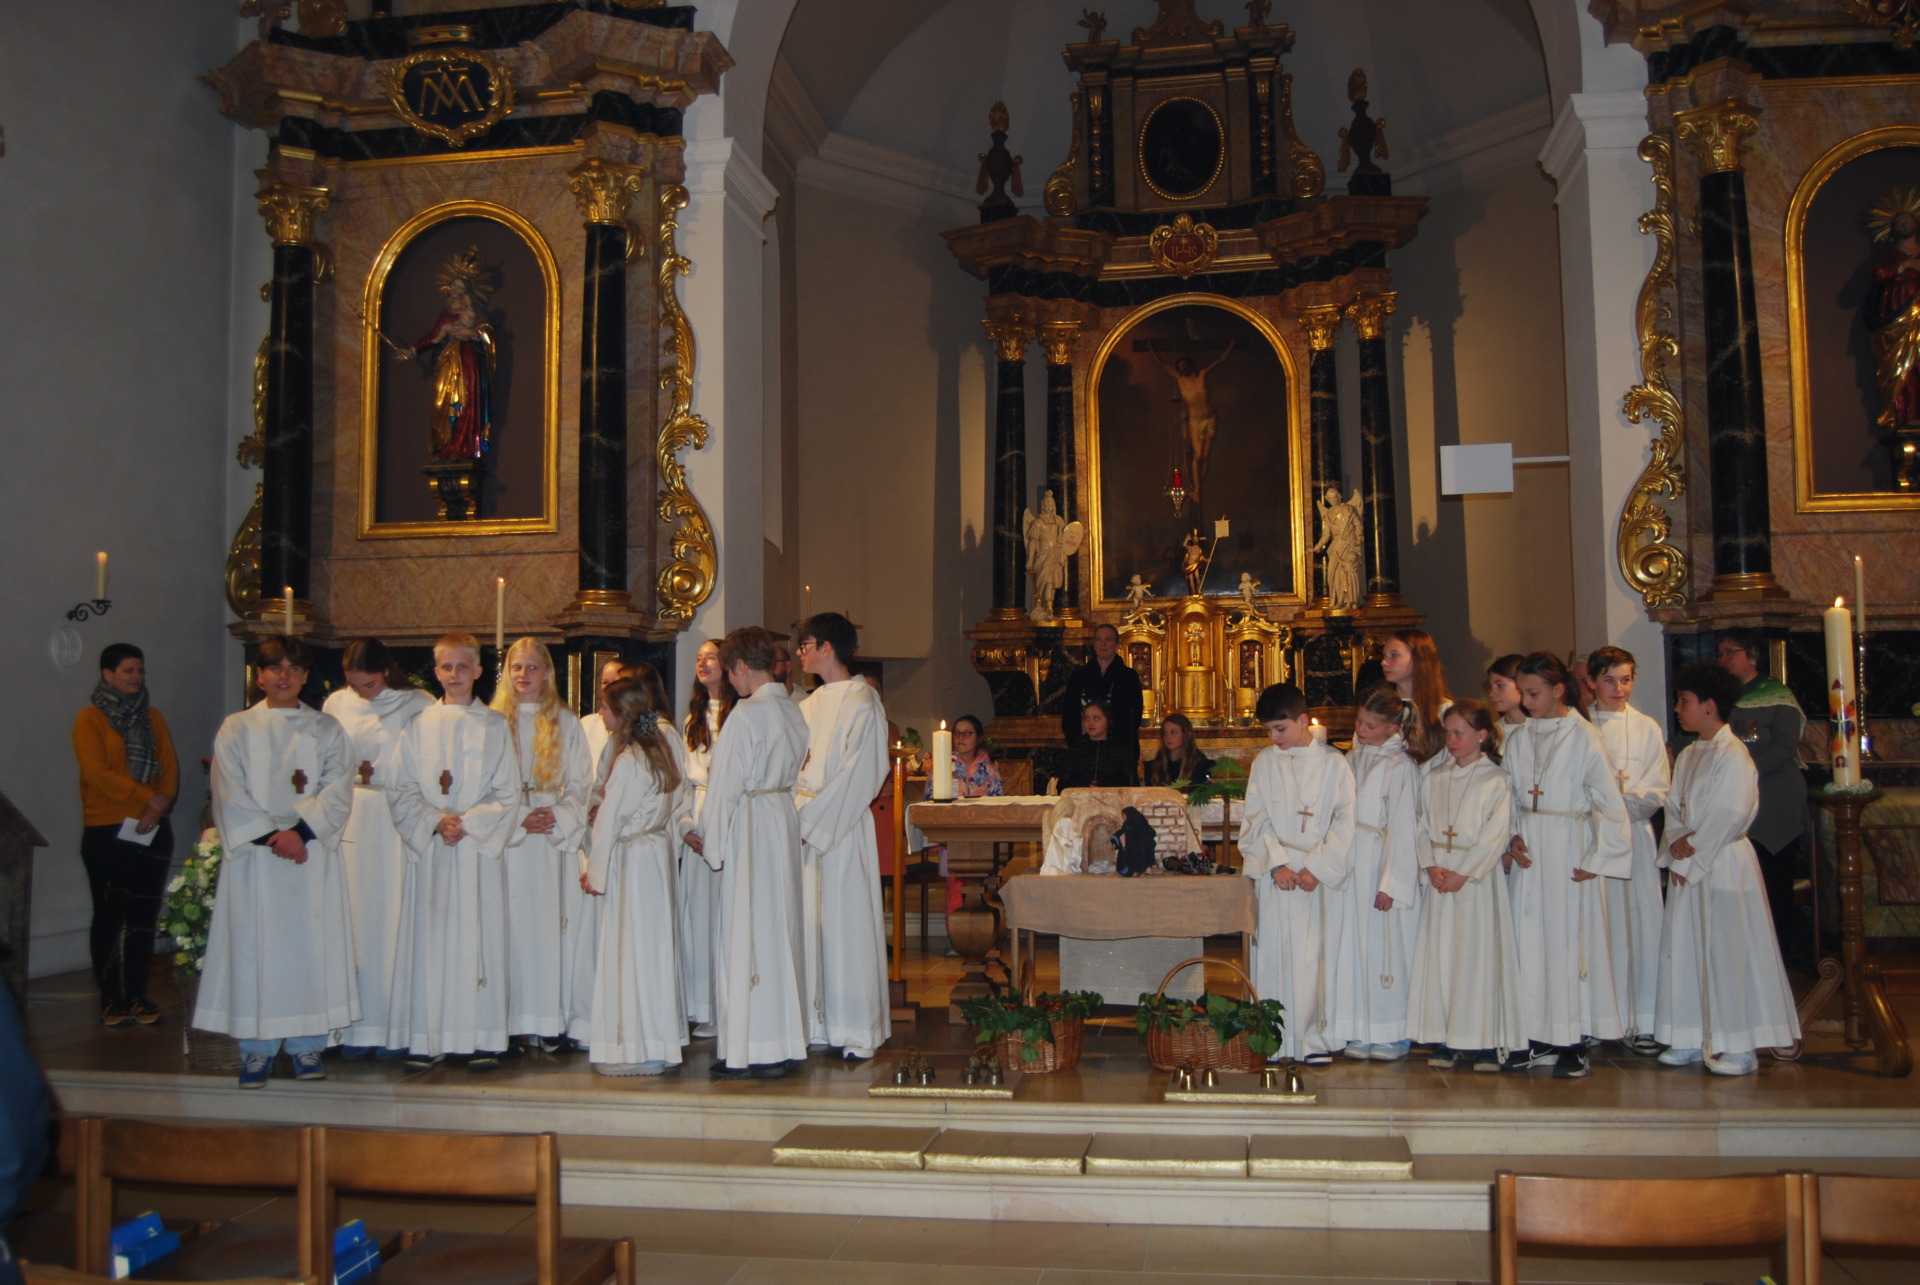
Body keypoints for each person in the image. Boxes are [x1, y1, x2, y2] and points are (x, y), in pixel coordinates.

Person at [197, 638, 357, 1088]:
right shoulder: (237, 728)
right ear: (259, 675)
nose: (284, 676)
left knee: (310, 949)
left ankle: (307, 1045)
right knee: (255, 950)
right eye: (275, 668)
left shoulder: (326, 729)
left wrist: (300, 833)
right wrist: (273, 837)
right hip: (257, 858)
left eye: (293, 668)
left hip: (309, 854)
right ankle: (256, 1050)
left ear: (305, 676)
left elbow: (338, 787)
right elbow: (228, 789)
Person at [1655, 663, 1802, 1076]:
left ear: (1709, 705)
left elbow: (1730, 812)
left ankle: (1739, 1046)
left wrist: (1691, 855)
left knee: (1729, 950)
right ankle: (1690, 1035)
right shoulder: (1689, 754)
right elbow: (1674, 806)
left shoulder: (1733, 754)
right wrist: (1676, 843)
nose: (1678, 708)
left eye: (1684, 700)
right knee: (1686, 947)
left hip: (1722, 864)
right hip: (1690, 865)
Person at [386, 634, 520, 1071]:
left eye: (463, 666)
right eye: (447, 667)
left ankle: (482, 1038)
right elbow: (400, 787)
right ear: (436, 672)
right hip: (433, 851)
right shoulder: (418, 725)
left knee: (479, 936)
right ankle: (428, 1039)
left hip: (476, 850)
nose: (455, 674)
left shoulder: (495, 726)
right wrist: (434, 820)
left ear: (479, 671)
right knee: (432, 941)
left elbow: (508, 790)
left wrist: (469, 822)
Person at [1502, 652, 1631, 1079]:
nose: (1525, 701)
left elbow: (1609, 803)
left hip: (1569, 852)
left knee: (1568, 946)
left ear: (1559, 690)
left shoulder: (1583, 736)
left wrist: (1598, 857)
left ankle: (1573, 1040)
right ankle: (1535, 1036)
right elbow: (1509, 798)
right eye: (1522, 693)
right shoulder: (1518, 739)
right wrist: (1511, 836)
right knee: (1529, 945)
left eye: (1533, 693)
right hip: (1531, 855)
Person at [692, 626, 810, 1079]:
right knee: (780, 929)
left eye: (729, 672)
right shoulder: (792, 709)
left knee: (745, 931)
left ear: (741, 666)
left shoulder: (745, 715)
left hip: (750, 823)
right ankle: (783, 1041)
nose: (729, 681)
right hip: (779, 816)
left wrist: (713, 846)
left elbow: (724, 787)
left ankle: (750, 1049)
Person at [321, 638, 433, 1058]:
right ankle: (348, 1030)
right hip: (350, 819)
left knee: (392, 923)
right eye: (354, 685)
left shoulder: (417, 704)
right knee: (353, 924)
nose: (362, 694)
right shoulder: (336, 704)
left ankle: (392, 1027)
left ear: (386, 671)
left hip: (393, 822)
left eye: (368, 684)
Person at [793, 613, 892, 1061]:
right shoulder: (806, 705)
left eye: (806, 644)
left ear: (827, 648)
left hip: (841, 827)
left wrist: (812, 823)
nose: (801, 653)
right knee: (809, 927)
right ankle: (815, 1025)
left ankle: (855, 1028)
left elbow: (863, 772)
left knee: (845, 927)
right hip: (802, 825)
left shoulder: (862, 700)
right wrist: (793, 818)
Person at [582, 667, 691, 1076]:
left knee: (630, 950)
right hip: (655, 855)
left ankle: (635, 1045)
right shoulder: (658, 751)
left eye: (606, 708)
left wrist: (595, 874)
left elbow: (608, 823)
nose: (601, 714)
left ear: (622, 715)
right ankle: (658, 1040)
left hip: (632, 859)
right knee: (653, 948)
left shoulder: (629, 761)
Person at [1240, 682, 1355, 1066]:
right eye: (1269, 731)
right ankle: (1274, 1038)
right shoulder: (1265, 763)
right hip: (1279, 876)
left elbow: (1345, 820)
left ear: (1303, 721)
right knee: (1274, 956)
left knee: (1314, 959)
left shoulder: (1334, 764)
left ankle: (1313, 1039)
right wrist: (1276, 863)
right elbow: (1256, 818)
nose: (1275, 738)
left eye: (1281, 729)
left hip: (1315, 878)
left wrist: (1317, 867)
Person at [1408, 701, 1524, 1074]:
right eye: (1448, 733)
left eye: (1459, 733)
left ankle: (1485, 1039)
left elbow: (1495, 835)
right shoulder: (1435, 778)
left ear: (1482, 736)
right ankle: (1446, 1037)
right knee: (1443, 958)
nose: (1451, 740)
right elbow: (1422, 827)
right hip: (1441, 880)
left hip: (1476, 885)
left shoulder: (1496, 781)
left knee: (1478, 959)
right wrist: (1431, 865)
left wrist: (1465, 873)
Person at [491, 637, 593, 1053]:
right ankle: (510, 1023)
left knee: (550, 931)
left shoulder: (565, 722)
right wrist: (518, 817)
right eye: (517, 667)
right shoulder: (492, 722)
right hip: (509, 841)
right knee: (511, 931)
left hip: (550, 841)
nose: (524, 675)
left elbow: (582, 783)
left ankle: (550, 1020)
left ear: (548, 672)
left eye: (532, 667)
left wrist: (556, 815)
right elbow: (481, 787)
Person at [72, 642, 179, 1027]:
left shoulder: (153, 717)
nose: (136, 677)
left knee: (142, 917)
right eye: (128, 671)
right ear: (108, 675)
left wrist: (157, 808)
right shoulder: (90, 719)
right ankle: (110, 998)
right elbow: (97, 773)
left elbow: (168, 767)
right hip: (107, 828)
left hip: (152, 827)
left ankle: (137, 995)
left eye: (140, 671)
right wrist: (146, 799)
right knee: (109, 915)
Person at [1328, 685, 1420, 1061]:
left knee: (1385, 948)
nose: (1361, 730)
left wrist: (1391, 882)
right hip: (1353, 861)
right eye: (1359, 722)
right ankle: (1358, 1026)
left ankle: (1391, 1031)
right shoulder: (1354, 759)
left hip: (1381, 861)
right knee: (1353, 948)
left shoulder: (1401, 766)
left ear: (1392, 728)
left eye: (1370, 725)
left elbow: (1404, 826)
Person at [1588, 645, 1671, 1057]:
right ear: (1592, 682)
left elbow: (1656, 787)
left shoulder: (1646, 728)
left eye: (1626, 680)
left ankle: (1642, 1019)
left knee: (1639, 925)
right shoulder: (1580, 726)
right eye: (1609, 680)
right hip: (1591, 838)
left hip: (1634, 837)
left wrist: (1618, 807)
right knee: (1597, 926)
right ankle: (1594, 1019)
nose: (1618, 689)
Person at [1716, 628, 1809, 968]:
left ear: (1752, 656)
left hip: (1774, 801)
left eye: (1731, 652)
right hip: (1733, 799)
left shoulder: (1776, 696)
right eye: (1721, 653)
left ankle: (1776, 964)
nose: (1723, 659)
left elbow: (1785, 747)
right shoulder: (1721, 697)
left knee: (1772, 887)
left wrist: (1745, 772)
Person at [568, 656, 631, 1051]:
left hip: (621, 848)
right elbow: (593, 785)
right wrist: (593, 805)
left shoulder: (636, 750)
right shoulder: (596, 732)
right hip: (597, 839)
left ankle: (613, 1023)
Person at [679, 640, 736, 1038]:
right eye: (698, 658)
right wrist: (685, 825)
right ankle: (702, 1004)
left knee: (724, 914)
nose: (703, 663)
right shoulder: (691, 720)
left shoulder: (739, 714)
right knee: (699, 915)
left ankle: (725, 1005)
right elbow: (683, 781)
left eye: (710, 657)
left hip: (728, 815)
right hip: (699, 814)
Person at [1062, 623, 1144, 759]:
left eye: (1108, 639)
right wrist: (1078, 745)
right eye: (1099, 639)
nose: (1103, 644)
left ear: (1117, 645)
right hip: (1084, 751)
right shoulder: (1078, 677)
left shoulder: (1129, 677)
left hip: (1119, 752)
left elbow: (1134, 717)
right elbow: (1069, 716)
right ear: (1094, 645)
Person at [1380, 629, 1450, 768]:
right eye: (1384, 655)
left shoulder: (1445, 710)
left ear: (1419, 659)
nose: (1384, 662)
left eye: (1394, 655)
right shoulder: (1379, 708)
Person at [1059, 702, 1138, 788]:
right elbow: (1062, 784)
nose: (1090, 723)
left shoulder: (1121, 750)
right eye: (1086, 718)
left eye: (1096, 718)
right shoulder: (1076, 749)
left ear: (1108, 721)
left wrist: (1104, 787)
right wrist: (1085, 786)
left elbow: (1132, 785)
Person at [1142, 713, 1212, 788]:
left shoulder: (1200, 765)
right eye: (1165, 733)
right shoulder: (1155, 766)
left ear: (1188, 734)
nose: (1168, 737)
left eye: (1173, 732)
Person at [1484, 654, 1528, 735]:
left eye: (1500, 685)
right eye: (1490, 686)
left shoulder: (1545, 728)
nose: (1491, 693)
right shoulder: (1493, 734)